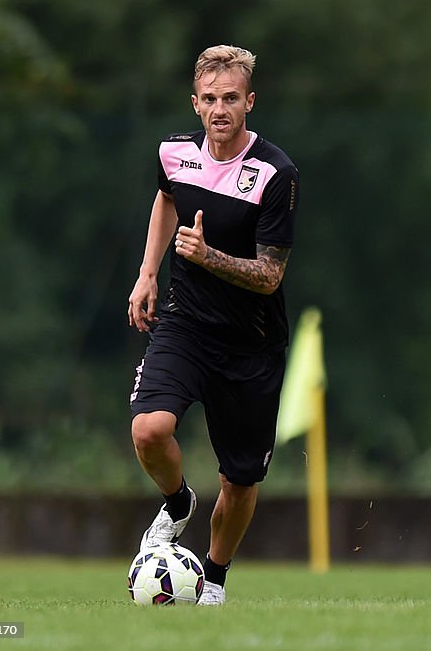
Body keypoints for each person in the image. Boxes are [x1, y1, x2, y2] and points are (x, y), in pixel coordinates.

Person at [127, 45, 299, 606]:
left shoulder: (276, 173)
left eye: (230, 98)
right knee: (149, 430)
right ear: (195, 104)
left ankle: (215, 579)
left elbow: (270, 275)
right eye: (209, 99)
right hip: (186, 325)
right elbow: (165, 199)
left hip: (252, 344)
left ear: (249, 102)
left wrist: (207, 257)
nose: (219, 108)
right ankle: (178, 503)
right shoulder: (174, 152)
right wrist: (149, 272)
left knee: (240, 480)